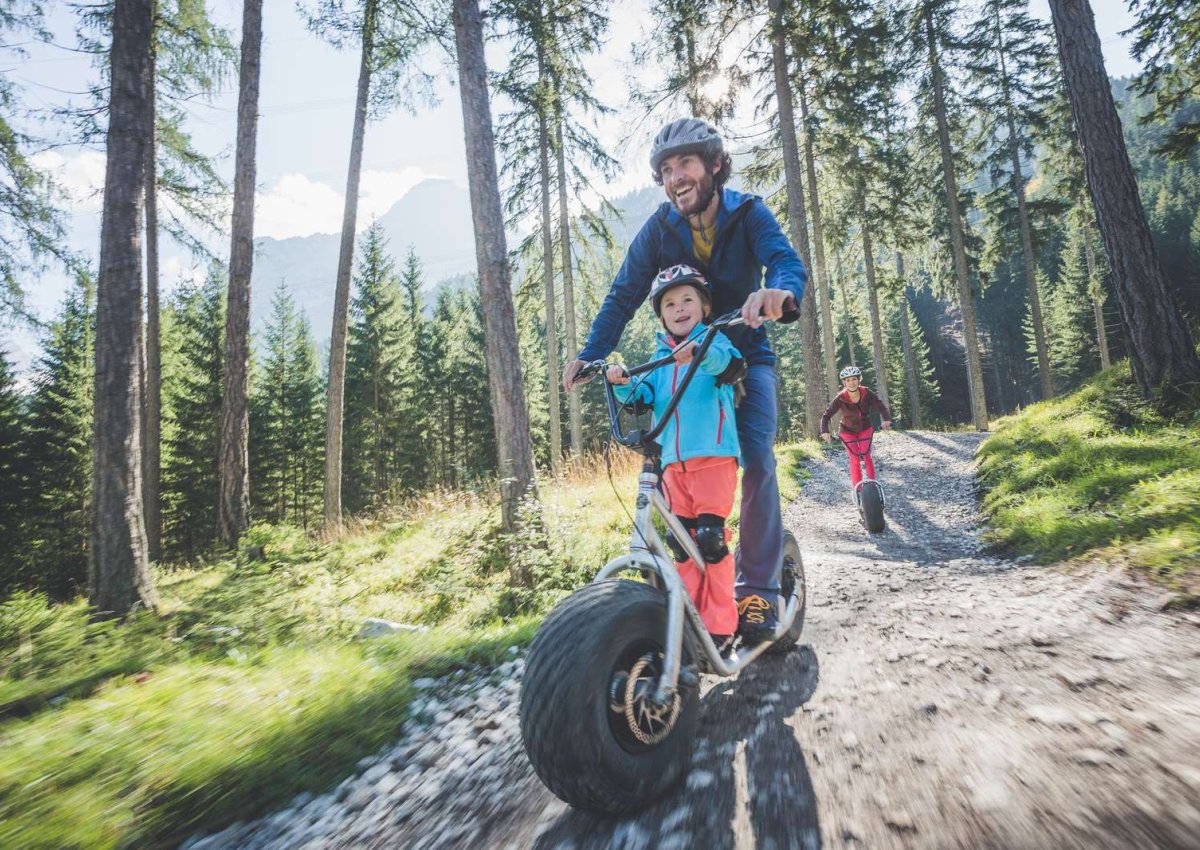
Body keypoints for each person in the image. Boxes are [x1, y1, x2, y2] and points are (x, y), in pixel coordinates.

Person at [564, 117, 807, 645]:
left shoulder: (748, 213)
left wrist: (779, 292)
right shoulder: (660, 229)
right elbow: (624, 294)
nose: (676, 177)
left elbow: (783, 261)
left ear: (715, 165)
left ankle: (757, 589)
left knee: (757, 459)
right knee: (663, 466)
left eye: (686, 164)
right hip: (681, 372)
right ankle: (681, 592)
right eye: (667, 170)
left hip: (744, 360)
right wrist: (591, 354)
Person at [608, 265, 743, 648]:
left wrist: (699, 352)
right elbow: (641, 397)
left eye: (687, 300)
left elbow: (730, 365)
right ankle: (689, 622)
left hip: (713, 458)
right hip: (673, 466)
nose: (679, 308)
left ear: (704, 307)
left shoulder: (714, 341)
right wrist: (621, 383)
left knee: (710, 540)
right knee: (682, 544)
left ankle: (720, 625)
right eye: (669, 304)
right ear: (661, 315)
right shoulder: (659, 357)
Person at [819, 366, 893, 493]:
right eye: (848, 380)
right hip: (847, 431)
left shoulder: (866, 393)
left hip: (865, 429)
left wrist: (886, 419)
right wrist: (824, 431)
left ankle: (873, 486)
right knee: (854, 459)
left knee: (866, 455)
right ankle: (858, 490)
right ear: (844, 382)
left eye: (854, 379)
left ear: (859, 380)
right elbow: (826, 416)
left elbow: (881, 407)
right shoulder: (841, 397)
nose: (851, 383)